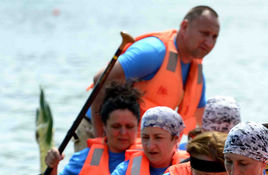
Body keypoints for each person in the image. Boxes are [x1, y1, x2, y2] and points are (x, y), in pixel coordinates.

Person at [88, 6, 220, 139]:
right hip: (97, 129)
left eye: (214, 37)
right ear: (184, 26)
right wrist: (101, 139)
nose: (209, 43)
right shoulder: (154, 52)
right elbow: (101, 78)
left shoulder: (196, 72)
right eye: (204, 33)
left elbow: (202, 120)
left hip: (139, 142)